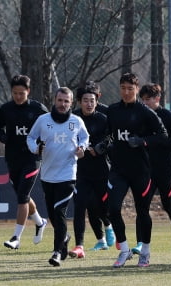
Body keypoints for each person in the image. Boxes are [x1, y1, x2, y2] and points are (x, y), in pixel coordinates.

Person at [105, 73, 167, 268]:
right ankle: (124, 250)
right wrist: (102, 145)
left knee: (142, 212)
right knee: (113, 208)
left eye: (130, 88)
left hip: (141, 170)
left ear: (137, 90)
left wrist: (142, 141)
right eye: (123, 88)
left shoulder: (144, 111)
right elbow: (108, 136)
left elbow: (163, 135)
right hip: (118, 170)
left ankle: (145, 252)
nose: (126, 92)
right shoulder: (113, 110)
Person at [27, 87, 89, 266]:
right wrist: (36, 148)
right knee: (54, 216)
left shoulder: (76, 121)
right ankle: (65, 237)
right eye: (60, 100)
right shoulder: (43, 120)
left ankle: (56, 252)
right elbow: (30, 138)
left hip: (68, 174)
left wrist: (82, 148)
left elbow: (85, 138)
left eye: (66, 101)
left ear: (71, 103)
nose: (63, 104)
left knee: (59, 212)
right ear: (54, 100)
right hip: (47, 175)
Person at [0, 75, 48, 250]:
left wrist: (43, 144)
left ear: (28, 92)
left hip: (32, 158)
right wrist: (2, 135)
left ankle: (16, 237)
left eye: (21, 93)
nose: (18, 96)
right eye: (15, 93)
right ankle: (40, 222)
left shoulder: (38, 109)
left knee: (22, 196)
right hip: (13, 158)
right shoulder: (6, 109)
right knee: (22, 195)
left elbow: (50, 125)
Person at [138, 83, 171, 255]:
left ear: (157, 99)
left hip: (165, 169)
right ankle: (141, 244)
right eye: (142, 100)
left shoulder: (167, 115)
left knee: (169, 206)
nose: (144, 103)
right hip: (146, 170)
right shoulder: (140, 116)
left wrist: (158, 141)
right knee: (142, 207)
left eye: (148, 99)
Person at [68, 85, 116, 259]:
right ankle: (79, 245)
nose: (89, 104)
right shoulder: (72, 119)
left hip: (101, 170)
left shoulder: (103, 119)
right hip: (80, 171)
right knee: (81, 205)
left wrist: (100, 148)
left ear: (97, 101)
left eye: (92, 101)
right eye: (85, 101)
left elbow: (111, 138)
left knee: (102, 207)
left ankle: (109, 225)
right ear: (79, 102)